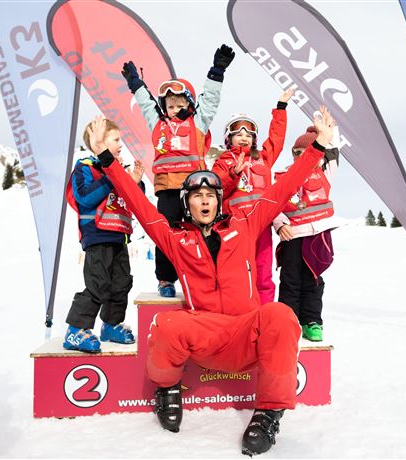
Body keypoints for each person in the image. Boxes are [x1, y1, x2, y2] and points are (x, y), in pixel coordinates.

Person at [88, 107, 334, 455]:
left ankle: (268, 413)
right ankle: (168, 389)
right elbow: (140, 205)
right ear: (187, 203)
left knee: (280, 314)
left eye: (211, 195)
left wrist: (318, 148)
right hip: (204, 338)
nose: (204, 200)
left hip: (245, 334)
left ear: (220, 201)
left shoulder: (245, 225)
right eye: (197, 196)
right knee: (167, 324)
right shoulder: (177, 239)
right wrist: (106, 160)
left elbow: (283, 189)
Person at [120, 44, 235, 298]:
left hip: (194, 189)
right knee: (167, 234)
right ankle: (166, 279)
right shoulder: (157, 124)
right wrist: (135, 83)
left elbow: (210, 100)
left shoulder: (198, 121)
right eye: (170, 105)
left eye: (179, 104)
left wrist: (217, 70)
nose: (174, 109)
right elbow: (145, 104)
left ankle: (203, 275)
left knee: (200, 230)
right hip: (168, 192)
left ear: (190, 105)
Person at [63, 119, 145, 353]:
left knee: (121, 283)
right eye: (116, 140)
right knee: (98, 283)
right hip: (97, 234)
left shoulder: (119, 168)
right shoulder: (86, 167)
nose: (121, 144)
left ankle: (111, 324)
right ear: (98, 141)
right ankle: (76, 329)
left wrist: (135, 183)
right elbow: (85, 197)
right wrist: (111, 176)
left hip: (119, 234)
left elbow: (131, 200)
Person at [211, 88, 294, 304]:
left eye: (249, 134)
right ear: (229, 138)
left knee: (263, 273)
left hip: (262, 228)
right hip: (236, 228)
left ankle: (264, 316)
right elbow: (216, 188)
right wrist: (233, 173)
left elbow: (276, 139)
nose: (244, 137)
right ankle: (241, 316)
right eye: (238, 133)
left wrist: (281, 108)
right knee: (238, 274)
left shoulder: (262, 158)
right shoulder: (223, 161)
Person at [273, 126, 340, 342]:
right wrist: (280, 224)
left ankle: (312, 321)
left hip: (317, 236)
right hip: (293, 236)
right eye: (298, 154)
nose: (303, 159)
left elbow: (333, 148)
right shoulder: (284, 176)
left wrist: (327, 130)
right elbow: (273, 205)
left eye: (309, 153)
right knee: (290, 280)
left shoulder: (325, 173)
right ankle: (287, 320)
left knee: (313, 280)